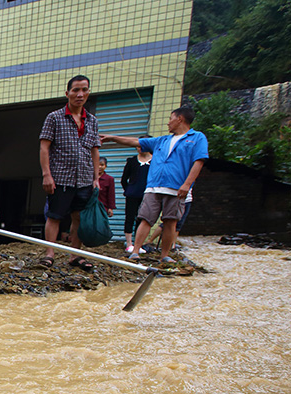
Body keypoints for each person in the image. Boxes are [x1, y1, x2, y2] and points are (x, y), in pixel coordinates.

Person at [102, 106, 208, 263]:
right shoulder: (162, 140)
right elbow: (135, 141)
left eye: (170, 118)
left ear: (180, 119)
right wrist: (112, 138)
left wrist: (187, 184)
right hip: (154, 187)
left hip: (176, 187)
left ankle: (164, 255)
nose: (168, 123)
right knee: (145, 218)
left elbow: (199, 161)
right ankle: (135, 251)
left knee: (170, 222)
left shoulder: (197, 138)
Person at [38, 74, 101, 271]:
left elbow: (95, 150)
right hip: (60, 178)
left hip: (83, 179)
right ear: (67, 93)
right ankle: (50, 253)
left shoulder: (92, 121)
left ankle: (75, 255)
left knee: (78, 217)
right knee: (54, 215)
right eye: (75, 90)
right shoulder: (54, 118)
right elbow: (44, 147)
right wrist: (46, 174)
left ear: (88, 92)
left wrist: (96, 178)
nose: (80, 94)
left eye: (84, 90)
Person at [120, 139, 152, 252]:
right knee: (130, 217)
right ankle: (129, 243)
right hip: (132, 194)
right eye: (138, 146)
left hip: (148, 195)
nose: (140, 148)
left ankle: (139, 244)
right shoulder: (132, 161)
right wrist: (128, 190)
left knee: (143, 219)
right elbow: (124, 179)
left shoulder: (155, 161)